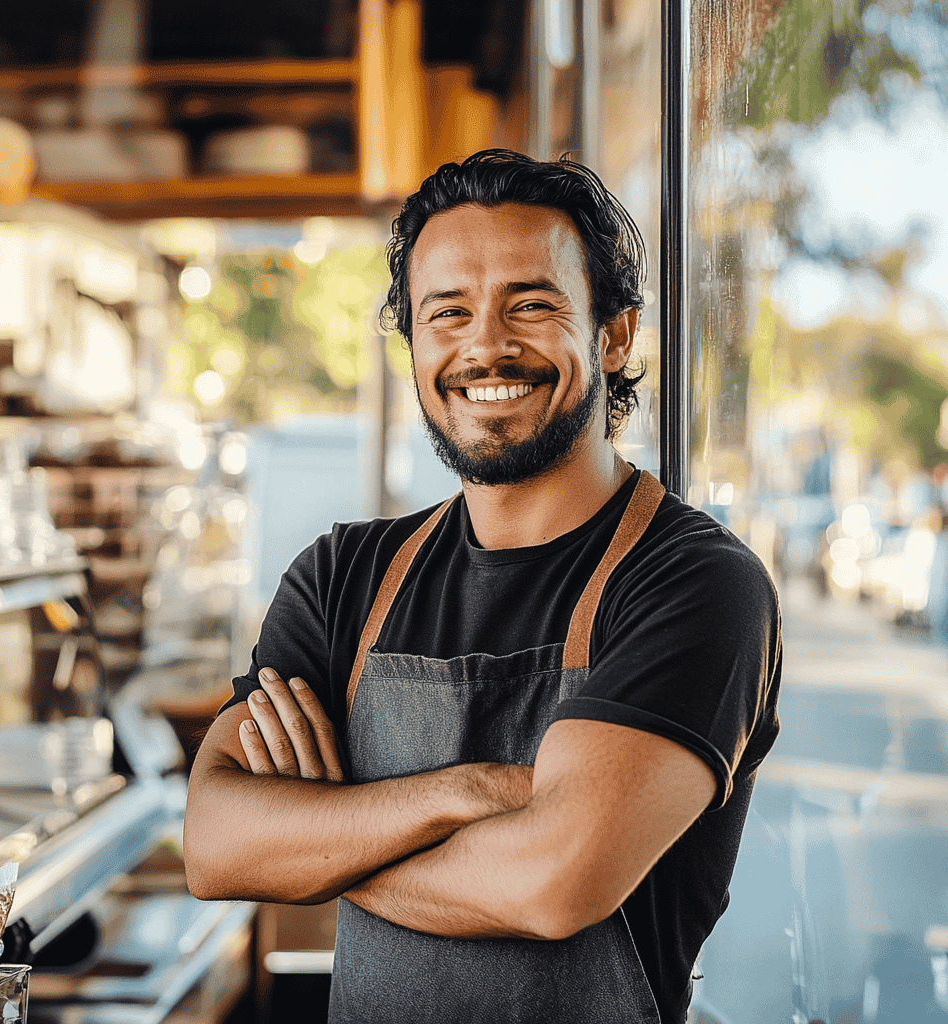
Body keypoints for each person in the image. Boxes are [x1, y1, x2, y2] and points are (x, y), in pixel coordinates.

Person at [184, 149, 782, 1024]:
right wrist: (465, 792)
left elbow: (552, 883)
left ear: (613, 335)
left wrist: (324, 840)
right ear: (416, 343)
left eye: (532, 305)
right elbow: (216, 844)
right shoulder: (342, 577)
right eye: (447, 312)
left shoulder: (694, 582)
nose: (485, 346)